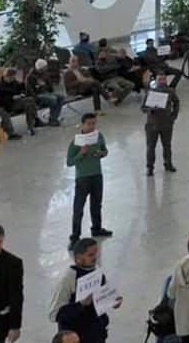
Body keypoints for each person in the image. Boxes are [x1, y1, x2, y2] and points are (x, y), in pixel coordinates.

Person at [48, 238, 124, 342]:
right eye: (90, 255)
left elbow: (103, 301)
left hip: (96, 335)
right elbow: (54, 314)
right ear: (78, 257)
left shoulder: (98, 273)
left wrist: (113, 302)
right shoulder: (69, 278)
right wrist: (80, 304)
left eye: (96, 254)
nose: (95, 258)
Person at [66, 113, 111, 246]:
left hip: (97, 175)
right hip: (83, 178)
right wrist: (81, 153)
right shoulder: (76, 142)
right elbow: (69, 162)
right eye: (89, 124)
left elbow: (105, 150)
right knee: (78, 208)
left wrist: (101, 153)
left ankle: (96, 228)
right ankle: (75, 236)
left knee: (96, 204)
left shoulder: (98, 136)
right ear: (83, 124)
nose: (91, 126)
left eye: (93, 123)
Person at [141, 81, 180, 176]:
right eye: (160, 79)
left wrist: (174, 116)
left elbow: (176, 103)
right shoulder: (150, 92)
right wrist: (150, 110)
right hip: (152, 125)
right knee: (150, 147)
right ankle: (150, 167)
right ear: (157, 81)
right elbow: (143, 108)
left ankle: (168, 164)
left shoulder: (170, 91)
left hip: (166, 124)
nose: (161, 81)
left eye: (163, 79)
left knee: (167, 146)